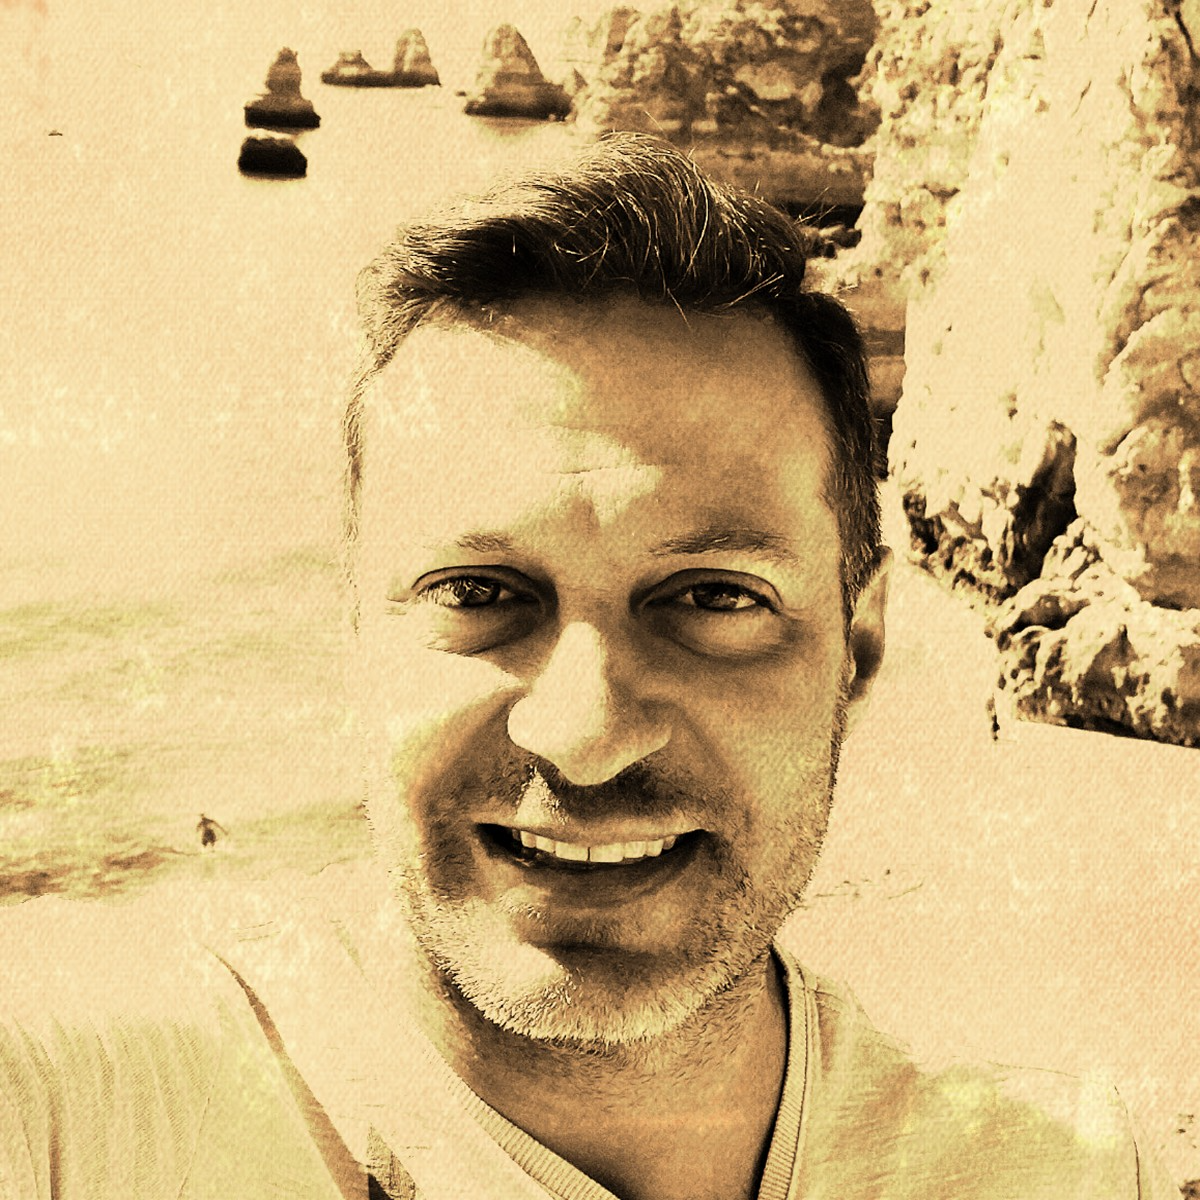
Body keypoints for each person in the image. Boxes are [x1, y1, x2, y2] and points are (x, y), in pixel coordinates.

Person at [0, 133, 1175, 1199]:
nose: (586, 733)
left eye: (713, 597)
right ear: (354, 634)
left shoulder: (1056, 1177)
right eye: (479, 594)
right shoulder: (80, 1114)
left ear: (860, 646)